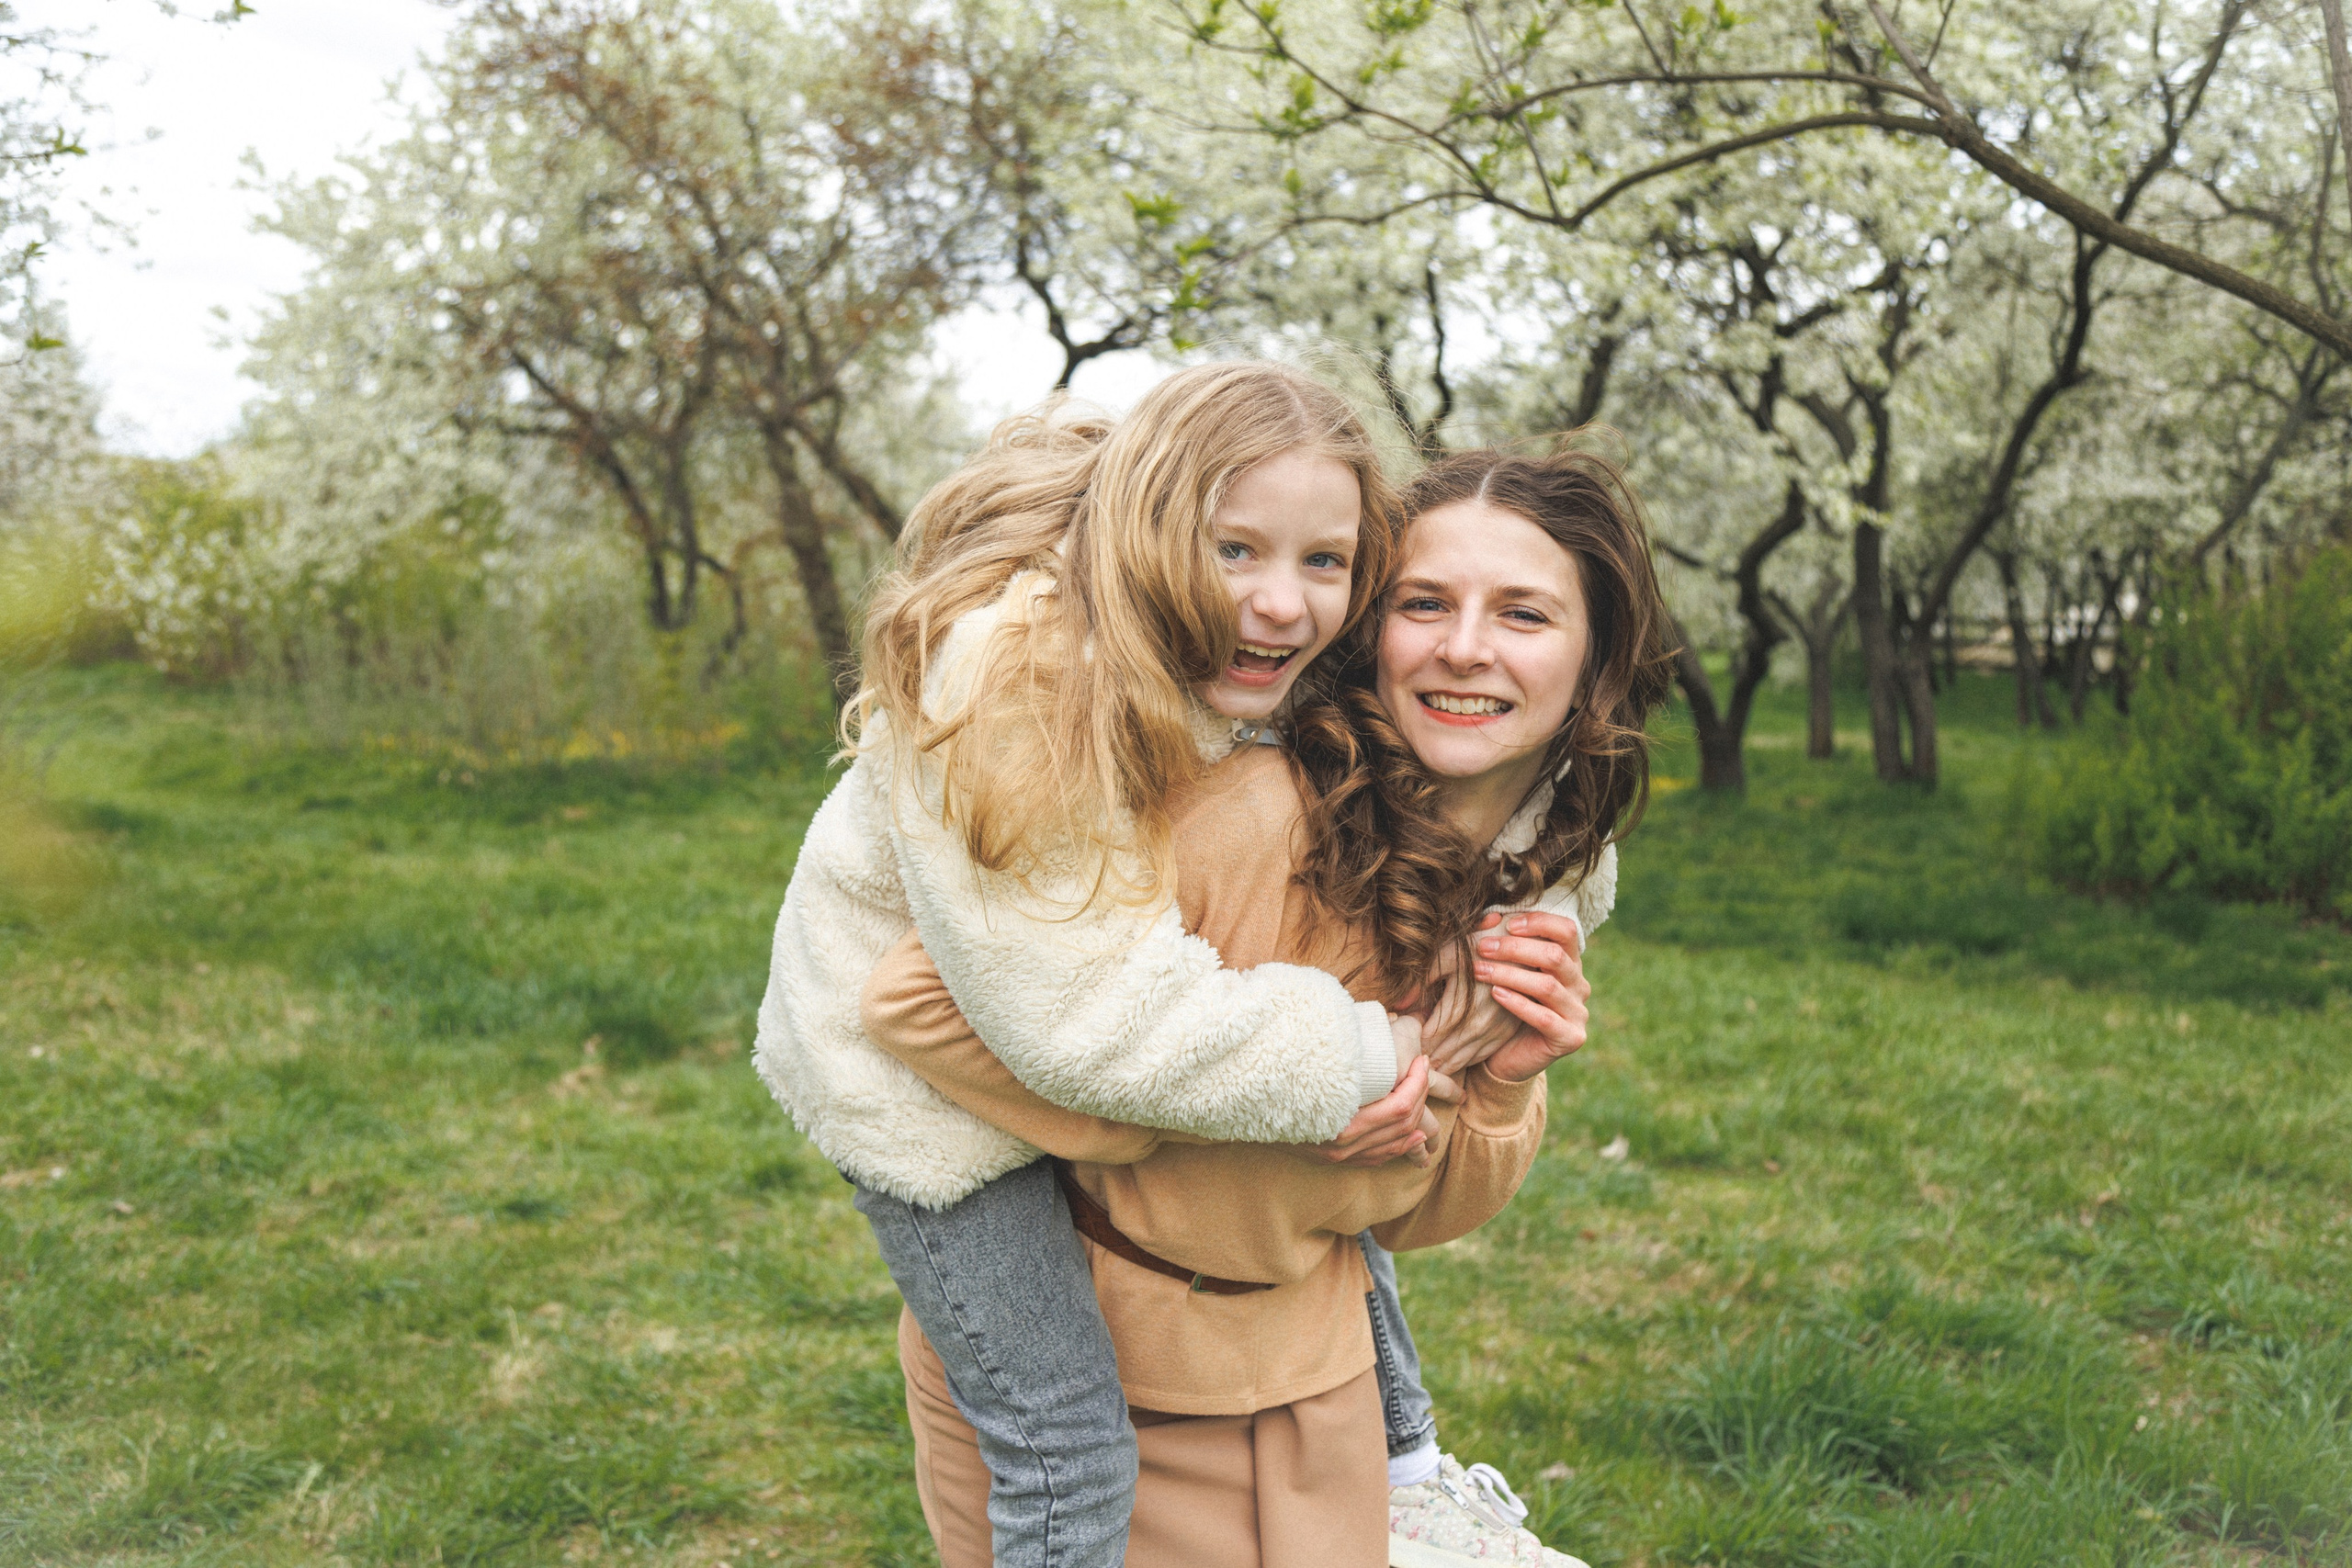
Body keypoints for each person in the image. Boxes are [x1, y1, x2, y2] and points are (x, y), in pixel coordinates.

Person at [753, 364, 1543, 1568]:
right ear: (1150, 528)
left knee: (1324, 1175)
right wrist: (1362, 1050)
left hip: (1044, 1003)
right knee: (1066, 1440)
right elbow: (1079, 1018)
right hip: (915, 1088)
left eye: (1325, 563)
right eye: (1234, 549)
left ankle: (1412, 1468)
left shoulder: (1231, 657)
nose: (1282, 603)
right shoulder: (1022, 685)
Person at [864, 441, 1676, 1567]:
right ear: (1365, 628)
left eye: (1525, 615)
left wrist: (1500, 1088)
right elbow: (914, 1000)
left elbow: (1401, 1216)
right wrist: (1272, 1091)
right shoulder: (1251, 814)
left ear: (1595, 664)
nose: (1464, 647)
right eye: (1423, 603)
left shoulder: (1537, 876)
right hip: (1096, 1385)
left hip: (1318, 1384)